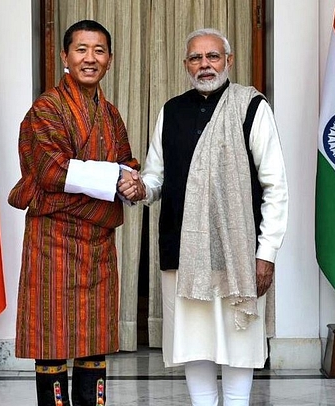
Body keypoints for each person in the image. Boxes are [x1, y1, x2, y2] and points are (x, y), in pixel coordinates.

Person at [119, 28, 288, 405]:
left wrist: (267, 252)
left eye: (213, 56)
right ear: (185, 65)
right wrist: (140, 188)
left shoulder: (251, 107)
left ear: (228, 61)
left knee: (237, 339)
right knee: (193, 340)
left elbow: (275, 186)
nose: (205, 64)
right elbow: (155, 175)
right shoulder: (171, 110)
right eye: (196, 58)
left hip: (238, 251)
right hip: (183, 247)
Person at [8, 20, 140, 406]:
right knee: (50, 337)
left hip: (98, 244)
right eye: (81, 49)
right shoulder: (46, 109)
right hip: (53, 241)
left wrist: (133, 183)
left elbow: (125, 162)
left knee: (94, 338)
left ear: (110, 60)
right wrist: (115, 180)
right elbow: (51, 171)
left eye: (99, 51)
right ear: (65, 56)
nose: (90, 58)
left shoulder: (110, 113)